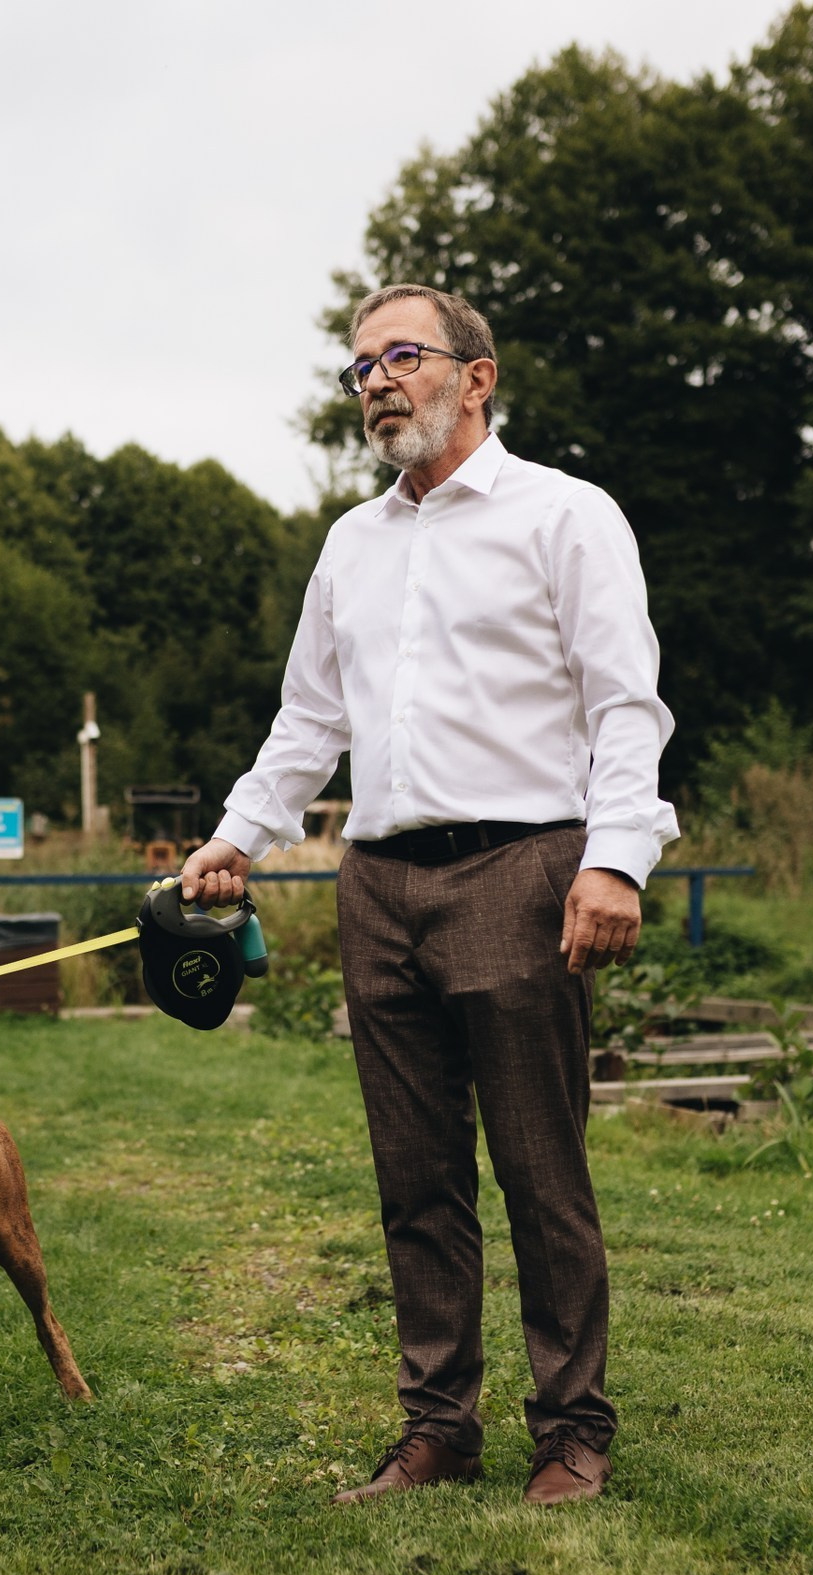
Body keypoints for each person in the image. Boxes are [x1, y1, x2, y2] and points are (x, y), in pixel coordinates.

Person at [180, 283, 676, 1508]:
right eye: (359, 368)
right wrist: (238, 835)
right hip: (380, 882)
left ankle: (571, 1431)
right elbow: (310, 719)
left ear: (476, 376)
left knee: (539, 1171)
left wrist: (615, 858)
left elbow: (625, 703)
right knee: (415, 1180)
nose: (376, 383)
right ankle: (438, 1428)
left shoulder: (565, 516)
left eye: (402, 357)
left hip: (522, 869)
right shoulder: (353, 545)